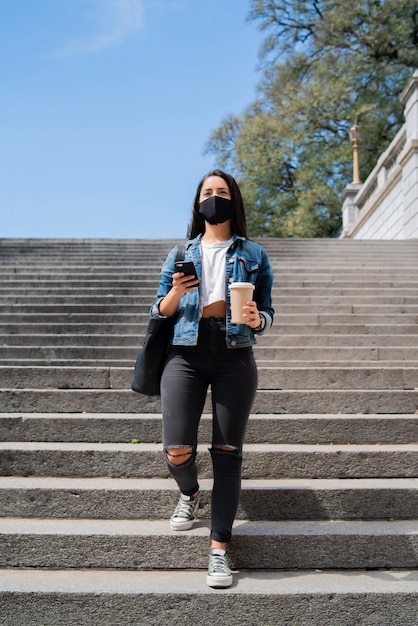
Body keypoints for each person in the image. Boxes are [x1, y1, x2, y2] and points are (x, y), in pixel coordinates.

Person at [150, 169, 274, 588]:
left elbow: (268, 311)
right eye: (208, 192)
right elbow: (158, 311)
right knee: (177, 449)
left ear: (232, 201)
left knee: (227, 451)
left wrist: (259, 319)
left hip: (234, 353)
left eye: (222, 192)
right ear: (197, 203)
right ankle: (189, 492)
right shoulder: (180, 253)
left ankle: (219, 552)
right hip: (184, 352)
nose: (214, 198)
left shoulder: (255, 254)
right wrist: (177, 293)